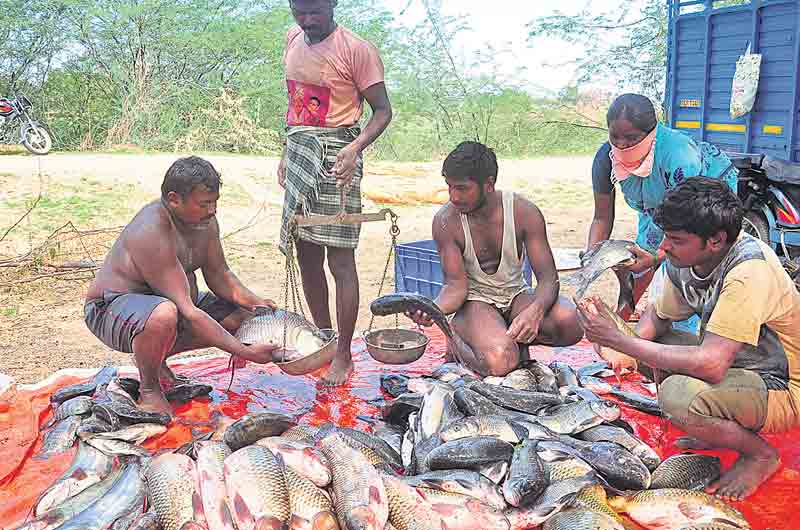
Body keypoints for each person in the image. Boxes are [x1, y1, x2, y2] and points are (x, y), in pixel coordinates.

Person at [578, 177, 800, 501]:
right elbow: (657, 318)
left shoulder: (749, 270)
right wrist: (621, 343)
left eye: (675, 240)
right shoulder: (687, 258)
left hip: (782, 386)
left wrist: (621, 341)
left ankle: (760, 455)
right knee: (651, 347)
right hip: (740, 367)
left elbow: (711, 365)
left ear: (716, 240)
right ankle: (717, 426)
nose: (663, 247)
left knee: (677, 395)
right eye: (666, 236)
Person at [84, 157, 278, 416]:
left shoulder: (204, 223)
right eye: (204, 204)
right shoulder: (151, 229)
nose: (212, 210)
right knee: (164, 315)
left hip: (173, 305)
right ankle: (149, 388)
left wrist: (256, 303)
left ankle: (154, 358)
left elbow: (220, 274)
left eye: (215, 202)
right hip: (110, 309)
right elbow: (188, 311)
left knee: (245, 316)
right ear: (174, 199)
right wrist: (244, 351)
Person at [277, 0, 393, 385]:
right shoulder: (292, 38)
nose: (307, 20)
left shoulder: (357, 50)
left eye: (316, 11)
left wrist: (355, 148)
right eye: (300, 11)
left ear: (333, 4)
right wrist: (286, 153)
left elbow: (382, 111)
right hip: (300, 153)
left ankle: (344, 352)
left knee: (340, 261)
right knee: (307, 256)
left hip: (339, 156)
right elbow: (295, 106)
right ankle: (324, 340)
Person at [587, 93, 739, 371]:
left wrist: (658, 257)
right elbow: (601, 217)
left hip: (701, 204)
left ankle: (688, 336)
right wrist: (594, 258)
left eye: (631, 138)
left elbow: (685, 229)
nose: (621, 145)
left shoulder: (679, 156)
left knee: (683, 269)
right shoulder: (605, 158)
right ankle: (624, 324)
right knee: (638, 265)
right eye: (614, 137)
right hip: (658, 207)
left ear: (652, 131)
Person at [407, 142, 583, 376]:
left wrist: (535, 311)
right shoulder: (446, 222)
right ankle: (460, 341)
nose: (454, 197)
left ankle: (506, 340)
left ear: (488, 184)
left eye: (462, 188)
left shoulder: (524, 213)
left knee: (572, 322)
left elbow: (548, 279)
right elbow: (455, 287)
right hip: (474, 303)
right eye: (449, 187)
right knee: (501, 361)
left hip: (516, 294)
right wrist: (432, 310)